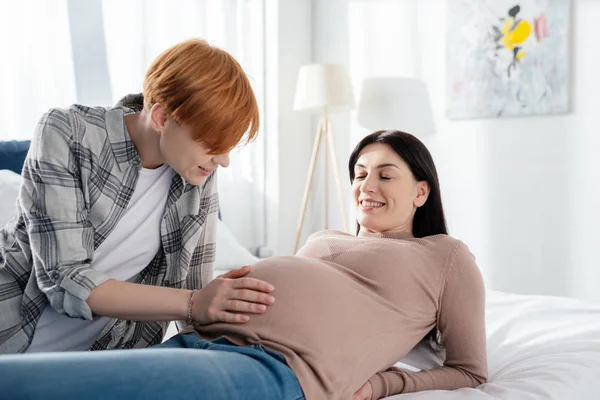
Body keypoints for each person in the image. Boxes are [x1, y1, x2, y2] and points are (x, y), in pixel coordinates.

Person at [0, 130, 487, 400]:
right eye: (359, 174)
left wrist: (386, 382)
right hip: (199, 342)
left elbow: (469, 371)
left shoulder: (445, 256)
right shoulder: (323, 238)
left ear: (421, 191)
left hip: (276, 368)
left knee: (36, 386)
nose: (366, 186)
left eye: (386, 174)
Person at [0, 39, 277, 354]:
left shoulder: (196, 172)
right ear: (161, 118)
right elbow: (65, 278)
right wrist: (193, 304)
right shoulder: (68, 133)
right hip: (11, 341)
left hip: (103, 362)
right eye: (213, 143)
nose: (223, 160)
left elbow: (198, 300)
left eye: (229, 145)